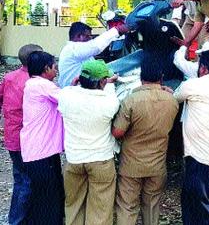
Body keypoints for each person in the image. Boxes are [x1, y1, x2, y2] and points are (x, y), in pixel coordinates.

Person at [112, 60, 179, 225]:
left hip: (131, 165)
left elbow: (117, 132)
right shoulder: (172, 101)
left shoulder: (131, 100)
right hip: (157, 164)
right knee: (152, 206)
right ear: (161, 78)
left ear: (141, 77)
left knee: (127, 206)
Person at [173, 47, 209, 225]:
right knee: (189, 199)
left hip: (202, 158)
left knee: (203, 206)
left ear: (203, 68)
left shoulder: (194, 85)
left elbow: (175, 98)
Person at [0, 44, 42, 225]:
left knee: (20, 179)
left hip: (12, 138)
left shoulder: (9, 78)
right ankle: (19, 220)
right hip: (31, 138)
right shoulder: (38, 82)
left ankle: (16, 218)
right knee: (29, 182)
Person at [58, 59, 120, 225]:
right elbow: (109, 94)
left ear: (80, 78)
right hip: (101, 160)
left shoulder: (65, 96)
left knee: (73, 205)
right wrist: (111, 84)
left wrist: (76, 83)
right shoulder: (109, 102)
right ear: (102, 81)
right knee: (100, 208)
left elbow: (70, 88)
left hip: (74, 160)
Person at [20, 51, 64, 225]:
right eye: (54, 66)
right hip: (42, 152)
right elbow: (69, 100)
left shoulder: (33, 84)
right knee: (49, 198)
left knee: (44, 195)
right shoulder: (43, 85)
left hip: (40, 150)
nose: (57, 70)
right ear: (46, 68)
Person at [58, 21, 129, 88]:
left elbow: (96, 71)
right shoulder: (72, 48)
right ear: (79, 36)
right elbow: (95, 47)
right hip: (72, 92)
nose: (90, 39)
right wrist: (117, 30)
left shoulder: (83, 54)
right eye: (88, 36)